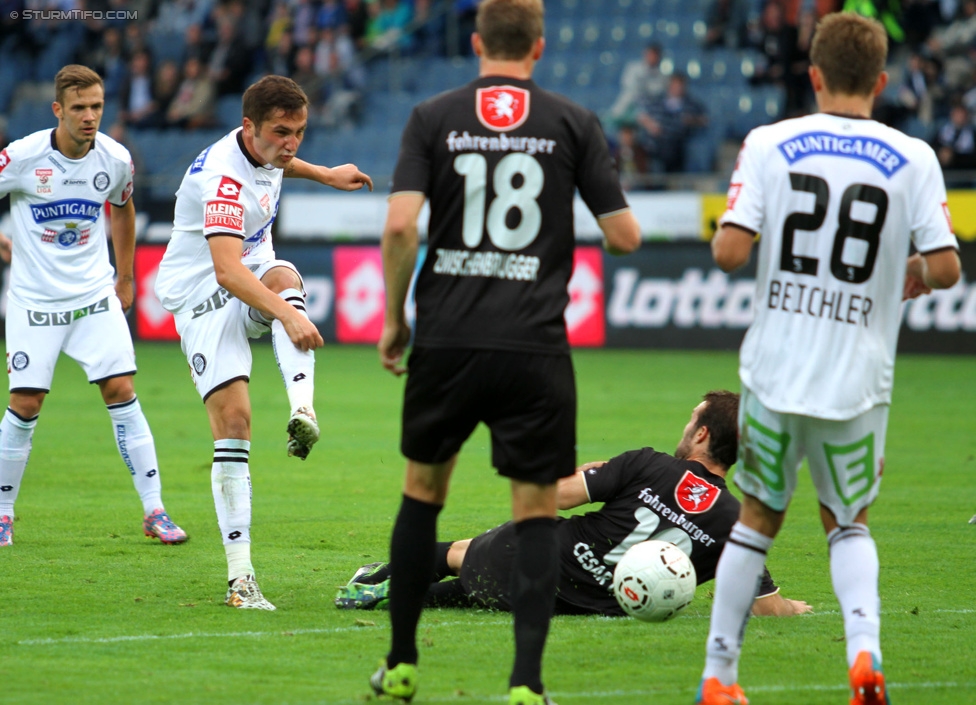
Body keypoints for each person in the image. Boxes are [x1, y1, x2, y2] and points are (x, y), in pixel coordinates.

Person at [373, 0, 642, 702]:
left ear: (475, 42)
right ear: (541, 47)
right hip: (534, 346)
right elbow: (626, 238)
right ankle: (525, 683)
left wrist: (397, 319)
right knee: (533, 514)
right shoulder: (572, 122)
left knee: (422, 497)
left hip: (447, 338)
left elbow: (401, 226)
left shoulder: (432, 116)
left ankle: (401, 663)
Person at [698, 13, 961, 705]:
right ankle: (865, 654)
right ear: (881, 80)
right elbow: (947, 267)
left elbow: (728, 252)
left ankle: (720, 676)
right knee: (848, 524)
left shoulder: (769, 142)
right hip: (857, 379)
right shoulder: (914, 156)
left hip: (776, 374)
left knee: (755, 521)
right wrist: (912, 268)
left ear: (813, 76)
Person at [153, 75, 372, 610]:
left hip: (250, 270)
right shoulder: (223, 179)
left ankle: (304, 412)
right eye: (282, 131)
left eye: (300, 131)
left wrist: (325, 173)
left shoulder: (265, 148)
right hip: (201, 294)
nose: (291, 142)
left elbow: (279, 162)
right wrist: (288, 319)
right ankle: (240, 579)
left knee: (283, 275)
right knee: (235, 425)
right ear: (248, 127)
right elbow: (226, 272)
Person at [336, 392, 811, 619]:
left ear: (702, 435)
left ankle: (384, 579)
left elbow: (553, 495)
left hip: (535, 559)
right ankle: (407, 590)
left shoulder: (647, 463)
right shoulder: (736, 521)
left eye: (692, 420)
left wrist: (587, 469)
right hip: (584, 605)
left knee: (464, 553)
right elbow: (767, 607)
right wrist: (798, 609)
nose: (685, 428)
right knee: (471, 589)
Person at [0, 65, 187, 547]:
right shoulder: (21, 158)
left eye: (97, 107)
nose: (90, 117)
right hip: (34, 300)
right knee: (26, 402)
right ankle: (2, 513)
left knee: (122, 390)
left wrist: (125, 277)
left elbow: (122, 208)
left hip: (91, 296)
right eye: (79, 108)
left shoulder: (116, 159)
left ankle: (155, 511)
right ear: (58, 109)